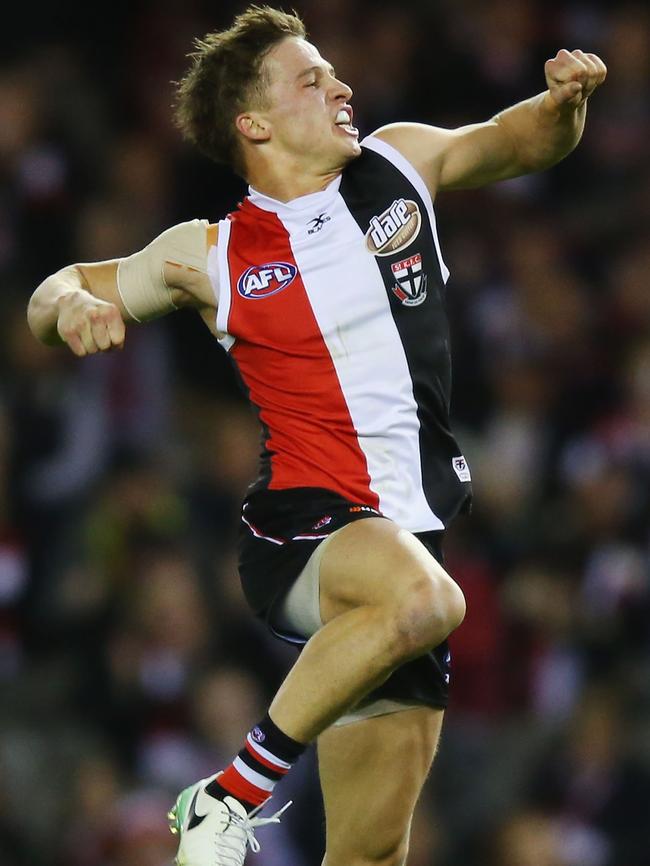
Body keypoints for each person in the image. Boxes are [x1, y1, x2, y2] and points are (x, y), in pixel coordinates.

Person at [27, 7, 607, 866]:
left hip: (411, 538)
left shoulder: (401, 162)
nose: (341, 86)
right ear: (253, 124)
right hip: (306, 525)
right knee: (431, 600)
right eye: (311, 78)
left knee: (372, 855)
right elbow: (57, 287)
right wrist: (71, 305)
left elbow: (519, 141)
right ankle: (226, 796)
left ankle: (239, 795)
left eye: (334, 71)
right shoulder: (211, 252)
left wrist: (562, 104)